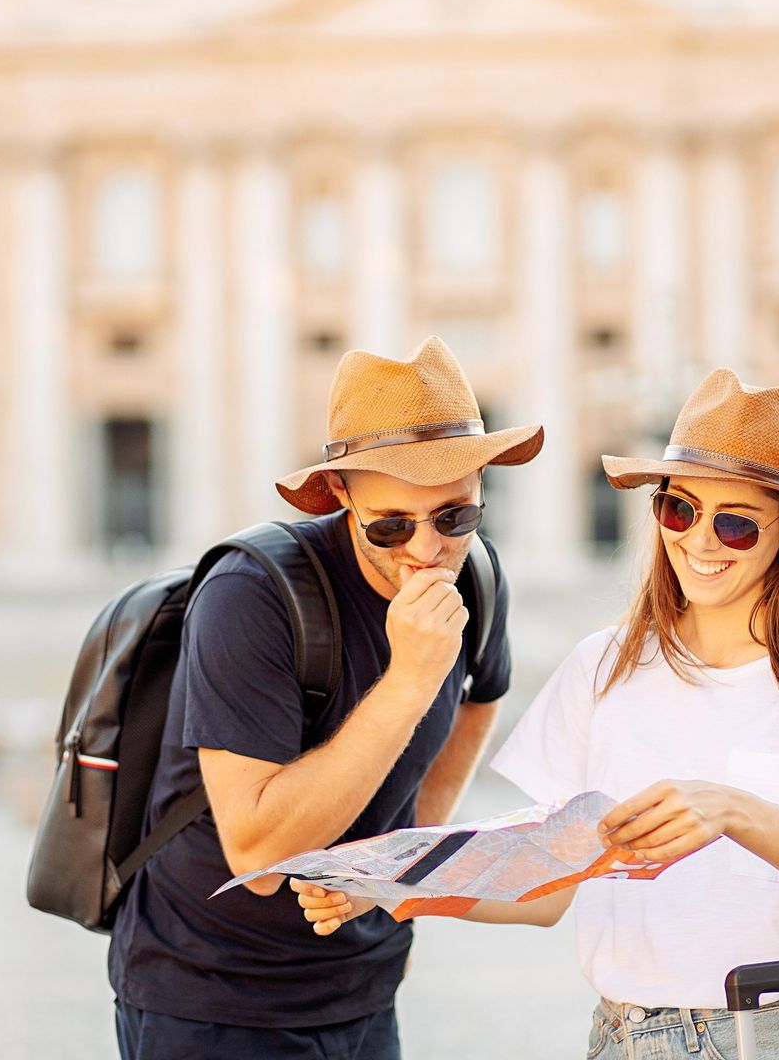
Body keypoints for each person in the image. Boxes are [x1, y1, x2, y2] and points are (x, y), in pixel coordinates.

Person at [295, 368, 779, 1060]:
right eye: (679, 510)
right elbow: (546, 891)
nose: (700, 541)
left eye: (736, 522)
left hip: (771, 1032)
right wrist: (393, 887)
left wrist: (731, 811)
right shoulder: (605, 664)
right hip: (619, 1036)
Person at [108, 336, 543, 1060]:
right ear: (341, 495)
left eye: (456, 517)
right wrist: (408, 680)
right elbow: (259, 845)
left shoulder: (477, 578)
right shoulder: (251, 596)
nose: (427, 549)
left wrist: (397, 866)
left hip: (364, 991)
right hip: (211, 998)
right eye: (392, 523)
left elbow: (480, 701)